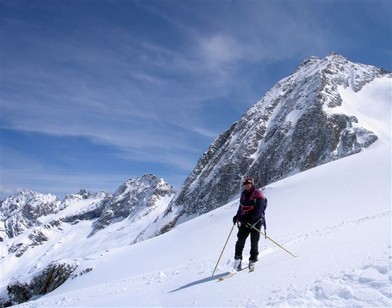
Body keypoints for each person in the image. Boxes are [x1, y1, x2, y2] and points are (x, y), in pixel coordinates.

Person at [232, 176, 267, 271]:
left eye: (248, 184)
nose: (246, 186)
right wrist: (237, 216)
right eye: (245, 184)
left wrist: (251, 219)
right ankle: (237, 260)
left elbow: (259, 209)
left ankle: (253, 259)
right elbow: (241, 207)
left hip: (256, 221)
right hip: (244, 221)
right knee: (240, 240)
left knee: (254, 241)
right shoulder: (243, 194)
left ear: (252, 184)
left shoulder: (258, 194)